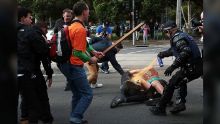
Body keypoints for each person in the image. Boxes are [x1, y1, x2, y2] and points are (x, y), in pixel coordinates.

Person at [57, 1, 103, 124]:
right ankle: (76, 117)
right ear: (84, 12)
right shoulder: (80, 29)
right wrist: (91, 59)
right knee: (87, 94)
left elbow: (84, 44)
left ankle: (75, 117)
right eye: (88, 10)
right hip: (74, 65)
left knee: (77, 94)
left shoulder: (72, 26)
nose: (89, 13)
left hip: (66, 64)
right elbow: (77, 52)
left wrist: (94, 52)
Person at [149, 21, 203, 115]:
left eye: (166, 32)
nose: (166, 34)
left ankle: (161, 108)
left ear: (171, 30)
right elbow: (175, 50)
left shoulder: (177, 37)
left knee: (171, 85)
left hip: (192, 68)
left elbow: (185, 52)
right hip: (196, 66)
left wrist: (172, 66)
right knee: (181, 82)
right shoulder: (181, 35)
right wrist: (163, 54)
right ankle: (180, 104)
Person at [17, 7, 54, 124]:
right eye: (29, 16)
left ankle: (25, 118)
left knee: (26, 100)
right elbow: (43, 52)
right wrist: (49, 72)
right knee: (37, 103)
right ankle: (46, 119)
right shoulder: (30, 32)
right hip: (30, 72)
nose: (31, 18)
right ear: (22, 18)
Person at [53, 8, 73, 91]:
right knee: (59, 64)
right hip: (60, 47)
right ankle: (70, 79)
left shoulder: (74, 23)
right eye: (66, 16)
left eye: (69, 16)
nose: (68, 18)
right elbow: (55, 32)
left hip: (70, 47)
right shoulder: (58, 22)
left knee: (69, 65)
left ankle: (70, 81)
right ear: (63, 15)